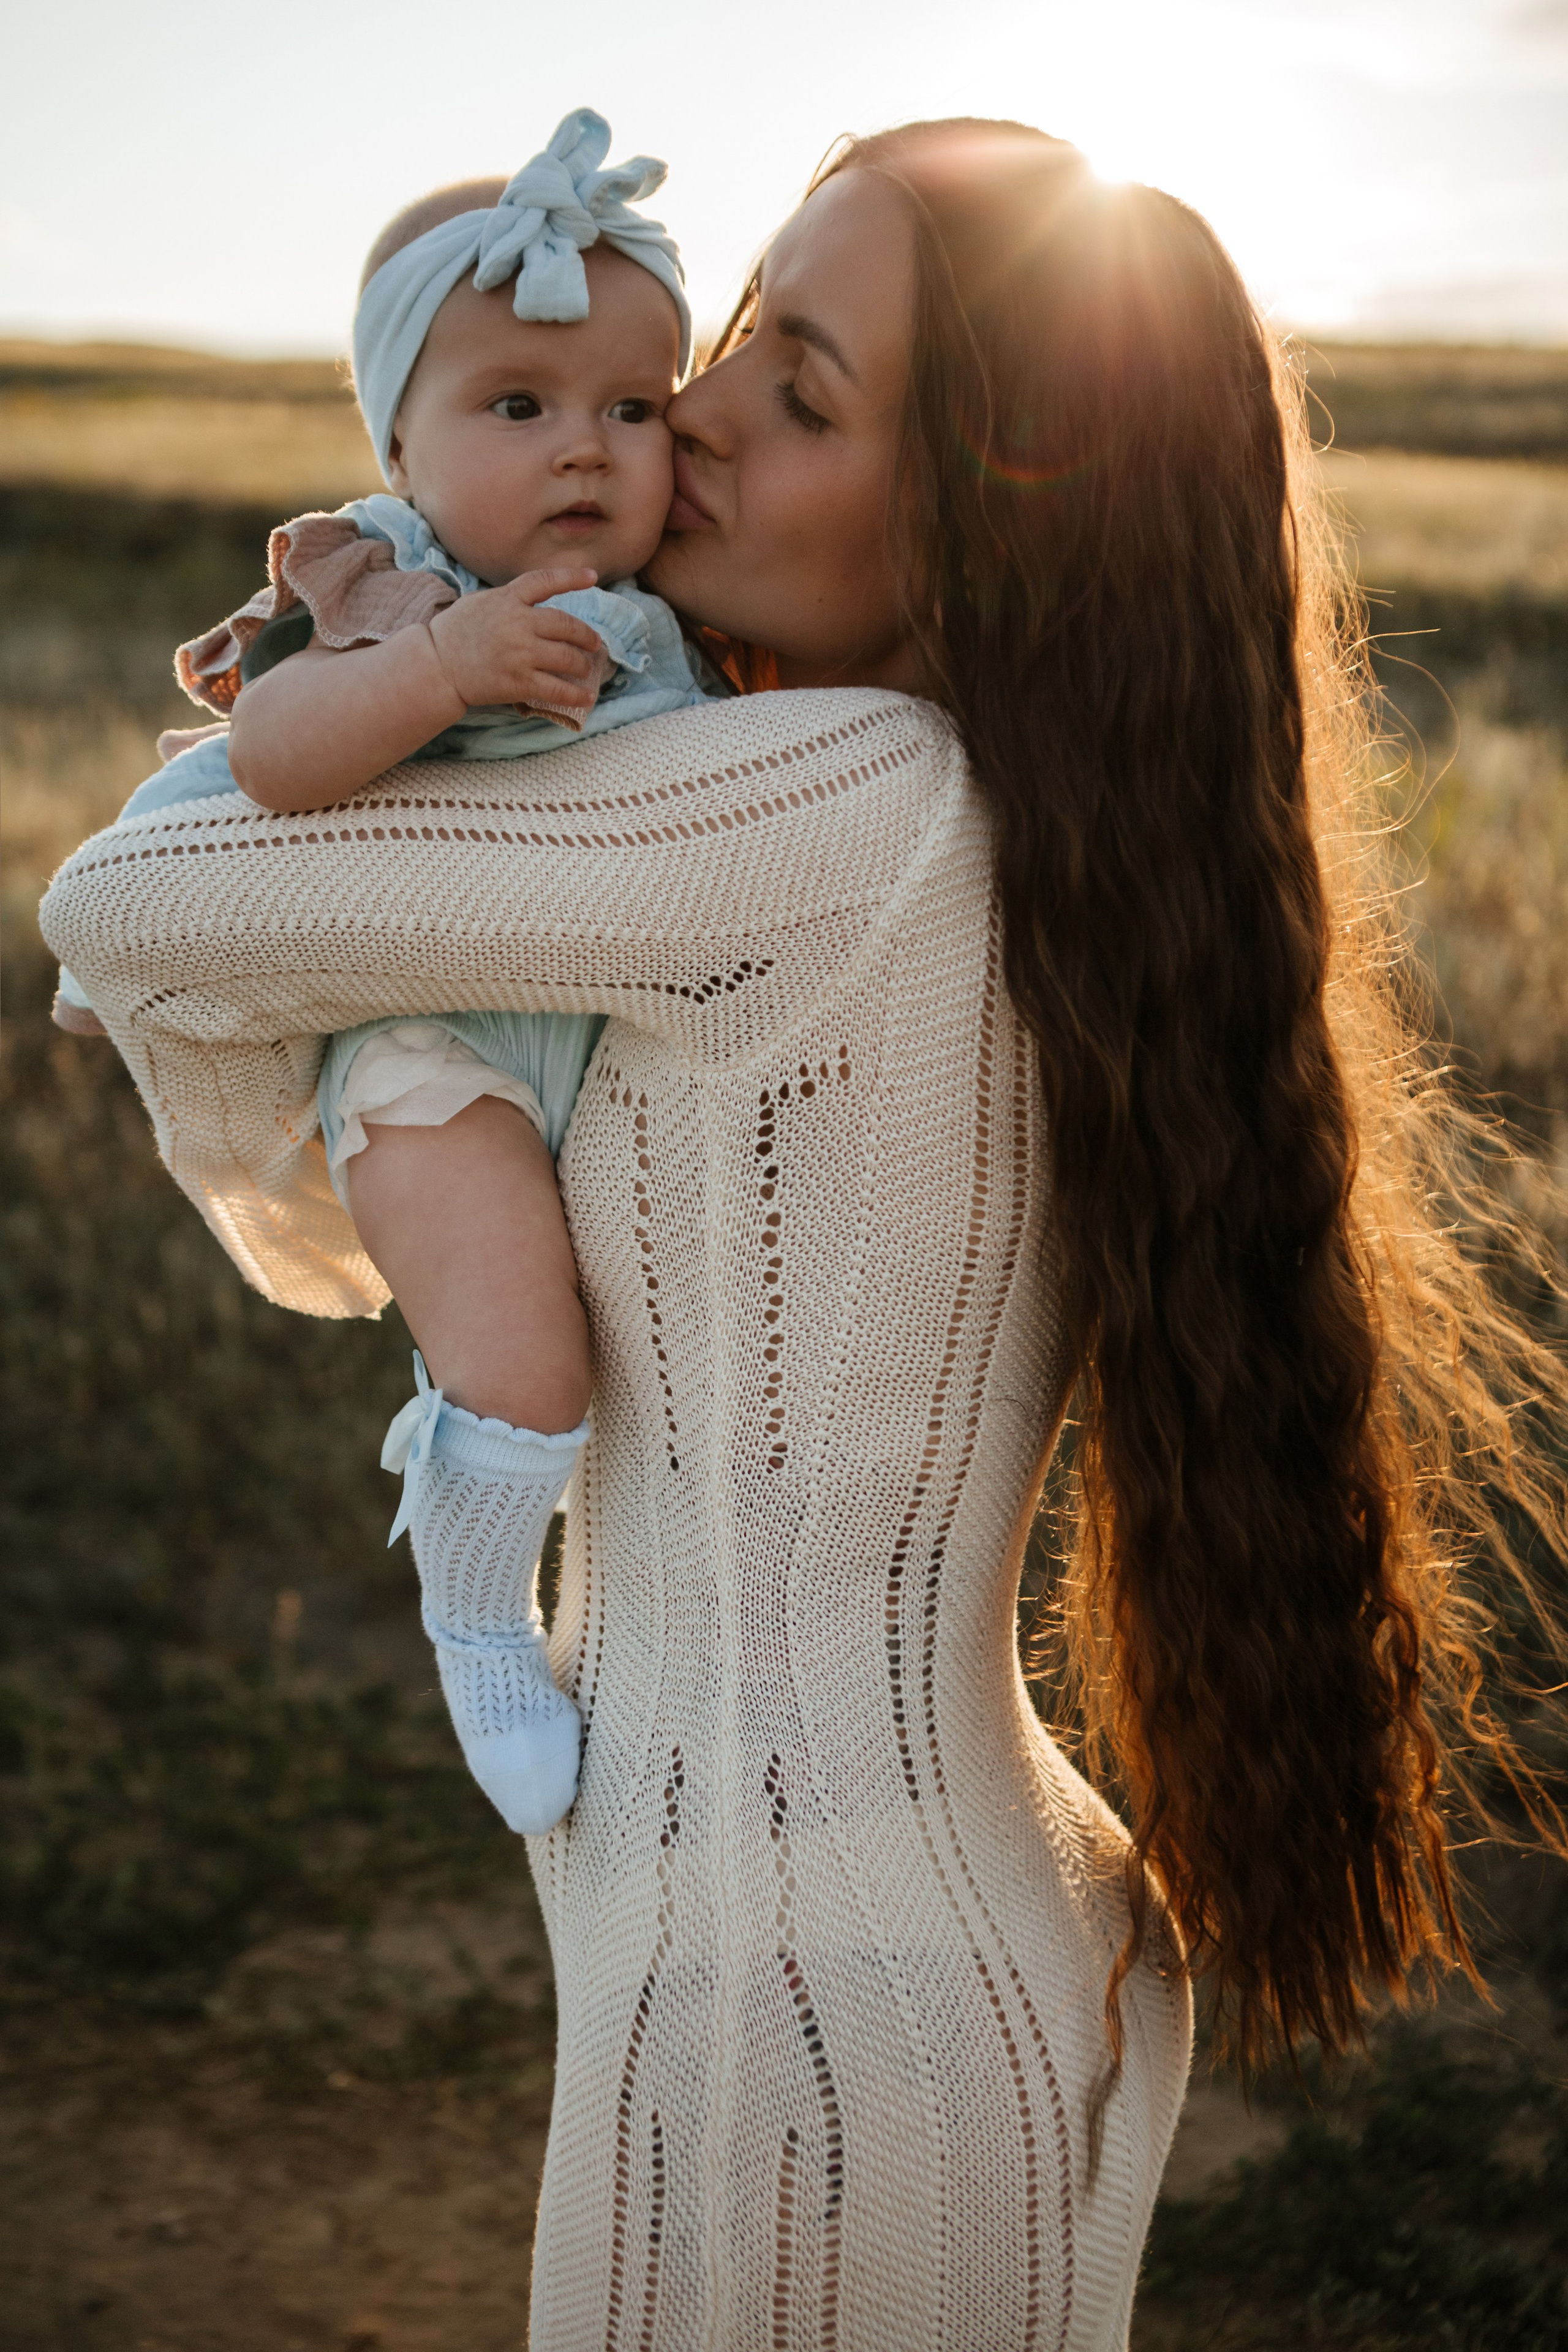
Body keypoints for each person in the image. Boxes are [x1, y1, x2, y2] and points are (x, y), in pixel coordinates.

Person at [43, 118, 1567, 2351]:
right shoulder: (994, 820)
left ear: (989, 542)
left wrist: (429, 652)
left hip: (805, 2029)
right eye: (744, 331)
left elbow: (133, 905)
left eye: (811, 393)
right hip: (934, 1954)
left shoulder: (832, 813)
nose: (695, 418)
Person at [56, 108, 728, 1838]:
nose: (585, 448)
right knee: (521, 1358)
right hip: (437, 1053)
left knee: (666, 1386)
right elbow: (274, 755)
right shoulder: (387, 578)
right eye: (517, 406)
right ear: (403, 443)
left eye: (631, 409)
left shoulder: (684, 611)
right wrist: (438, 669)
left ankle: (639, 1621)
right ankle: (478, 1613)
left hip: (623, 1035)